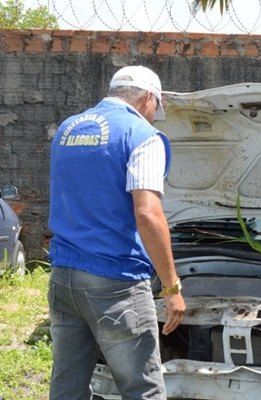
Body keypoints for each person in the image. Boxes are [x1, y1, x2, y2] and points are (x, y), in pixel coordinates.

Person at [48, 65, 186, 400]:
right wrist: (171, 287)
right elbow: (147, 213)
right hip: (115, 282)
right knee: (142, 389)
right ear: (147, 98)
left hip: (64, 276)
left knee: (67, 387)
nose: (154, 117)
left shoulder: (68, 129)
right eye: (156, 109)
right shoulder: (141, 135)